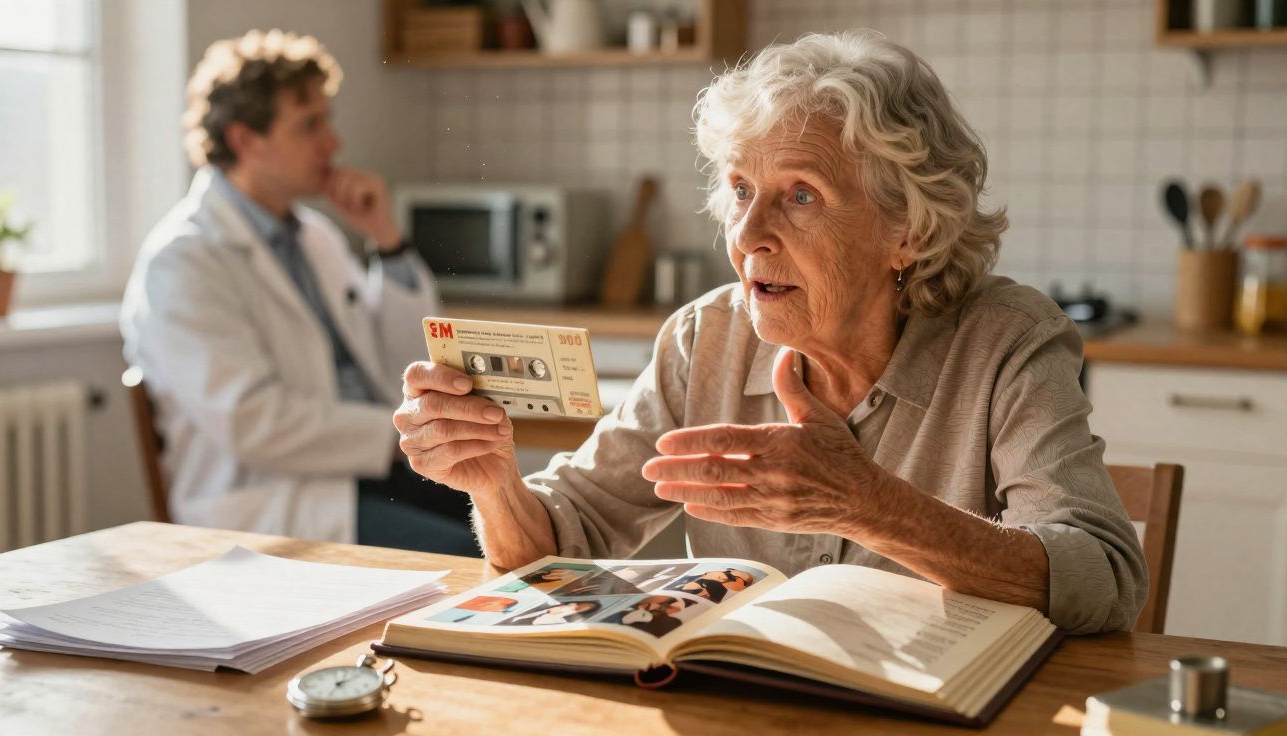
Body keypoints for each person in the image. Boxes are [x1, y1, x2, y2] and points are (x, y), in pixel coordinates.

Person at [394, 31, 1148, 634]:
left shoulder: (1007, 343)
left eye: (801, 196)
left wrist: (867, 503)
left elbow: (1107, 579)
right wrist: (495, 485)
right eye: (741, 189)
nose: (748, 233)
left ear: (909, 231)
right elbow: (563, 539)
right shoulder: (706, 339)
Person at [121, 30, 476, 553]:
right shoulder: (184, 261)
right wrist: (400, 433)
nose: (333, 143)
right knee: (476, 553)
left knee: (536, 523)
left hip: (371, 473)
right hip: (271, 502)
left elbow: (402, 359)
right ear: (245, 139)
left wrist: (385, 238)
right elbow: (252, 421)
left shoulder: (316, 236)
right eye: (310, 125)